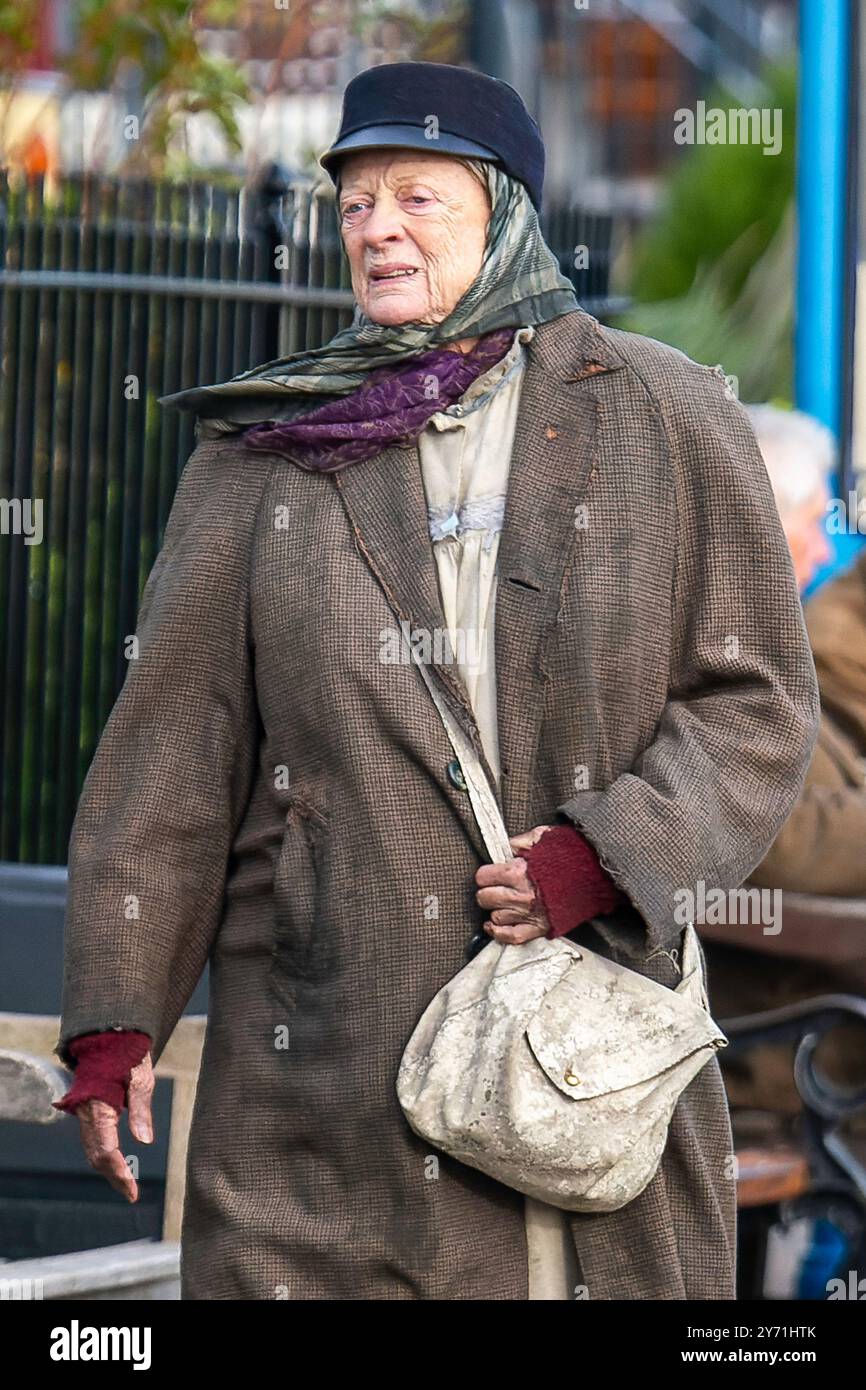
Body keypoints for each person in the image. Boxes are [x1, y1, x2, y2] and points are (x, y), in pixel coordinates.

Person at [53, 62, 819, 1300]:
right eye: (355, 203)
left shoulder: (665, 417)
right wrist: (114, 1017)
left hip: (576, 1070)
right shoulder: (267, 450)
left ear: (504, 212)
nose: (376, 229)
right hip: (322, 1068)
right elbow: (172, 752)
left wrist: (601, 855)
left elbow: (756, 705)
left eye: (416, 195)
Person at [704, 404, 866, 1114]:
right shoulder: (719, 649)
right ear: (758, 524)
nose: (827, 551)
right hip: (774, 1035)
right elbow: (779, 838)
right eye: (811, 522)